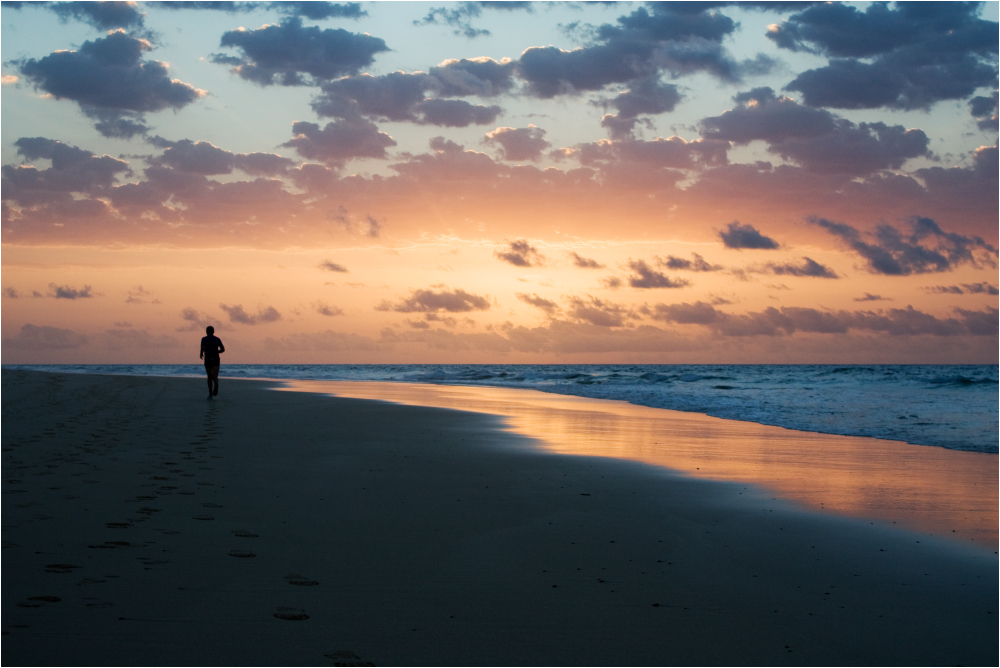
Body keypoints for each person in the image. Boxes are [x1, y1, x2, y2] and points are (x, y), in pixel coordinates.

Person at [200, 326, 225, 399]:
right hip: (216, 359)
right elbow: (223, 349)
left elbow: (203, 348)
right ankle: (216, 383)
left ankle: (210, 393)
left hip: (208, 359)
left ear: (206, 331)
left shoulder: (204, 339)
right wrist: (217, 351)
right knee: (215, 376)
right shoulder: (217, 339)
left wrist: (201, 354)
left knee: (209, 377)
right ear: (213, 331)